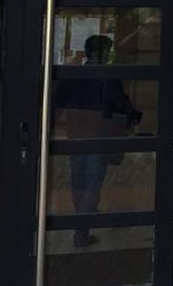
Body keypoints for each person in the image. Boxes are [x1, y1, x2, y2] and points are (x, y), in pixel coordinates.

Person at [55, 34, 141, 247]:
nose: (110, 54)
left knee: (78, 180)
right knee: (93, 182)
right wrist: (134, 118)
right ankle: (82, 229)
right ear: (98, 52)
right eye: (108, 50)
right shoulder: (108, 76)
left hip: (75, 134)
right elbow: (121, 103)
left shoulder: (74, 74)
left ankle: (82, 217)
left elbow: (57, 102)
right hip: (98, 135)